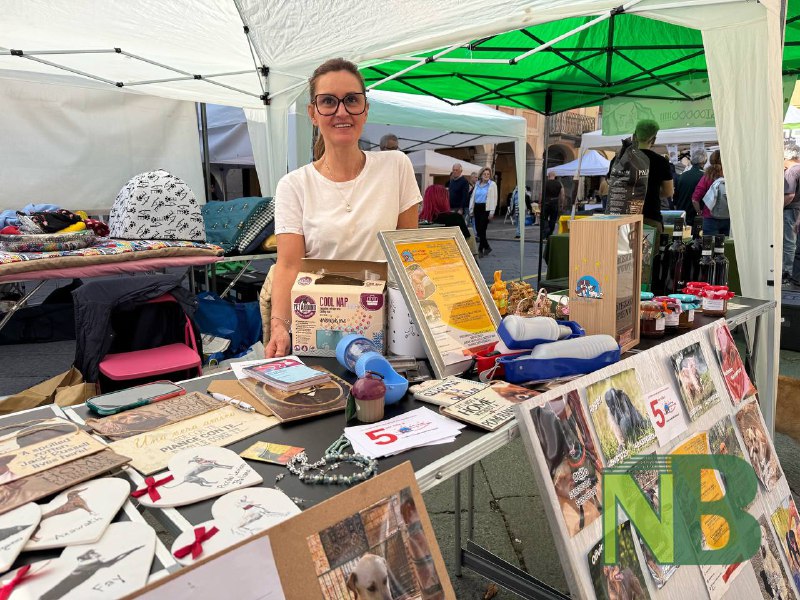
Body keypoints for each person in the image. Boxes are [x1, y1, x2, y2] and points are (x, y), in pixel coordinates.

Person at [265, 58, 420, 358]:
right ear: (313, 113)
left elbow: (407, 256)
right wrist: (280, 327)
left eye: (351, 100)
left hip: (385, 329)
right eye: (328, 101)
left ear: (365, 109)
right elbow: (288, 265)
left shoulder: (396, 166)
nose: (341, 111)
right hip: (321, 329)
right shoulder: (294, 185)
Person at [632, 119, 674, 230]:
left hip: (623, 219)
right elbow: (669, 191)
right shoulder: (661, 161)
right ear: (654, 140)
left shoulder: (619, 159)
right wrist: (651, 191)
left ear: (634, 136)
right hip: (650, 217)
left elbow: (611, 183)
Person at [419, 184, 475, 253]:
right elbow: (466, 238)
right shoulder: (455, 218)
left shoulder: (420, 220)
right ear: (444, 199)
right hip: (452, 254)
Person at [691, 150, 729, 236]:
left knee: (710, 244)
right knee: (725, 244)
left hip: (709, 218)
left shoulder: (707, 177)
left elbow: (694, 199)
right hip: (727, 217)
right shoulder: (730, 176)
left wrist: (699, 212)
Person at [469, 167, 498, 257]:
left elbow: (494, 198)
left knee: (482, 228)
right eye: (484, 174)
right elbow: (473, 197)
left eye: (488, 174)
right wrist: (471, 209)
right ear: (481, 175)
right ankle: (487, 247)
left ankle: (480, 249)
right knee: (478, 230)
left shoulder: (492, 184)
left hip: (486, 208)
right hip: (477, 208)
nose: (486, 175)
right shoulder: (477, 184)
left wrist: (492, 212)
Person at [674, 150, 707, 224]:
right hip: (697, 216)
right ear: (704, 162)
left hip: (682, 216)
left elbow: (675, 198)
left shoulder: (682, 176)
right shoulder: (704, 177)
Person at [784, 144, 800, 285]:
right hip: (797, 210)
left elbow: (789, 195)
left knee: (789, 243)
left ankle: (787, 272)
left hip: (791, 210)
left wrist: (779, 207)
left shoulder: (791, 171)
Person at [542, 172, 564, 239]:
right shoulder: (559, 183)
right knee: (553, 219)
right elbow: (562, 194)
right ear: (555, 176)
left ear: (548, 176)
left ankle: (546, 230)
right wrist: (561, 203)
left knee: (544, 218)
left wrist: (540, 202)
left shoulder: (545, 183)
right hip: (555, 202)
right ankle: (550, 234)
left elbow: (541, 193)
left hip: (546, 202)